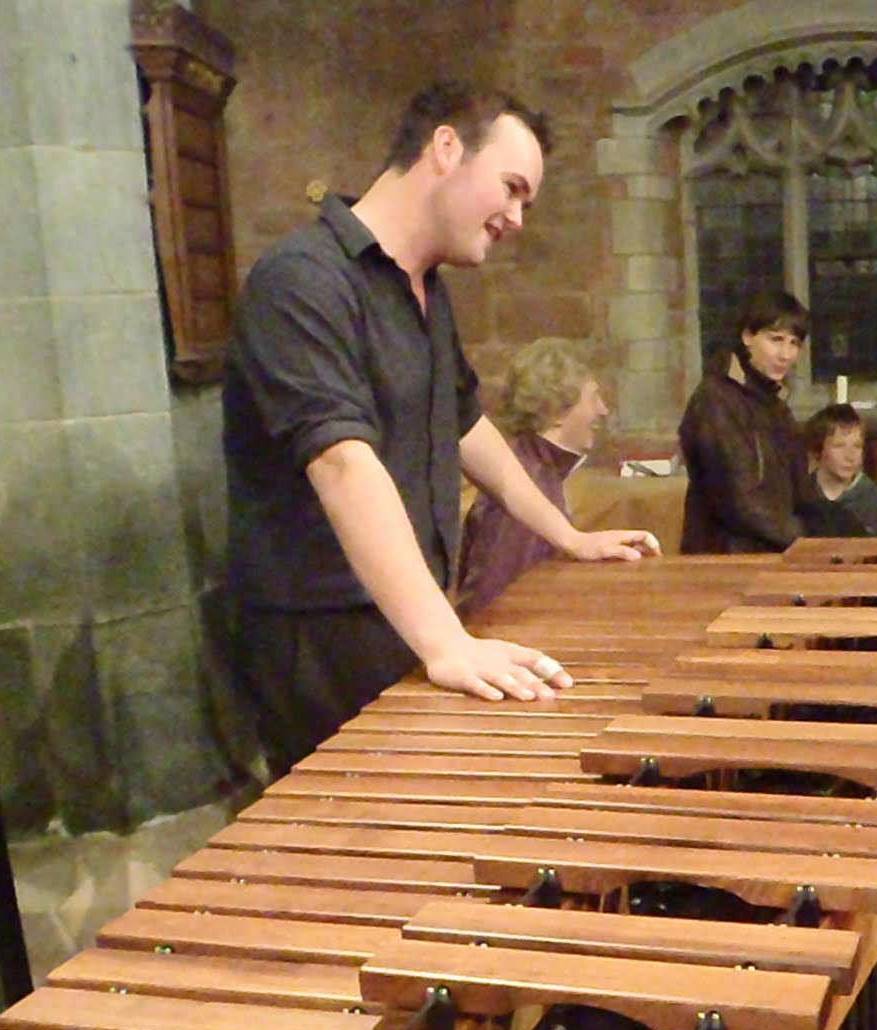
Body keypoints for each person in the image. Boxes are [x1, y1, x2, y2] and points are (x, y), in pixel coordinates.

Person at [222, 82, 657, 777]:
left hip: (403, 611)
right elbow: (340, 463)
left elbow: (466, 426)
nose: (517, 218)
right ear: (447, 148)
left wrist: (567, 535)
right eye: (511, 188)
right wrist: (446, 641)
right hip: (320, 629)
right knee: (365, 848)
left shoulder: (424, 288)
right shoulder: (301, 280)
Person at [455, 338, 610, 619]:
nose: (602, 410)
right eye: (593, 397)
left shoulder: (536, 470)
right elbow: (494, 609)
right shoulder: (528, 484)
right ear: (558, 410)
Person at [678, 290, 812, 553]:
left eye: (794, 343)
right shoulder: (716, 400)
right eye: (776, 340)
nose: (786, 355)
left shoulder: (775, 404)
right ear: (747, 337)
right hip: (725, 558)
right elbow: (738, 500)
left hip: (772, 552)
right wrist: (805, 540)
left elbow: (798, 491)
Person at [799, 403, 877, 537]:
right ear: (818, 449)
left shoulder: (875, 503)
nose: (850, 456)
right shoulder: (800, 497)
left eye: (857, 446)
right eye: (839, 446)